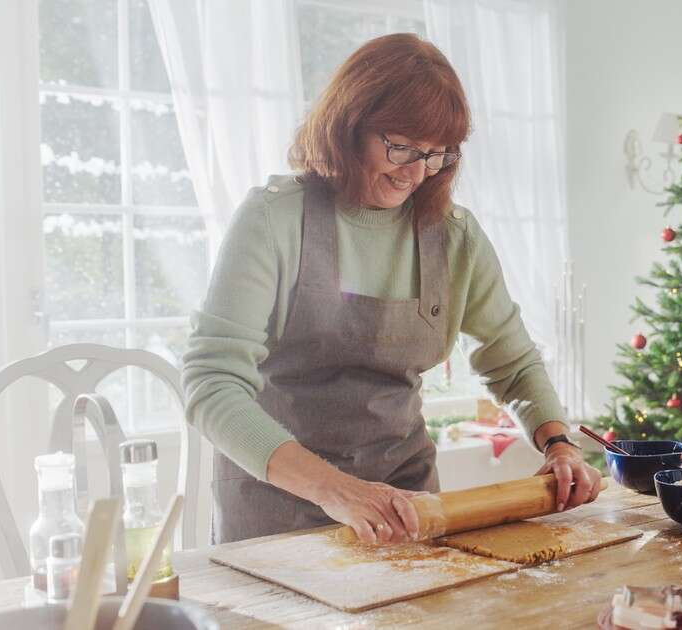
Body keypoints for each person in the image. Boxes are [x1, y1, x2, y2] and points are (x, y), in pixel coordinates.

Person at [182, 33, 600, 545]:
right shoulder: (273, 220)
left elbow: (512, 363)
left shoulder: (454, 236)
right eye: (400, 147)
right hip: (277, 513)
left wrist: (559, 444)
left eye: (437, 154)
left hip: (408, 507)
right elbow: (211, 383)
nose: (417, 172)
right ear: (348, 125)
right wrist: (337, 490)